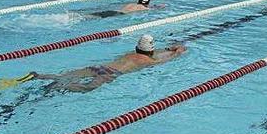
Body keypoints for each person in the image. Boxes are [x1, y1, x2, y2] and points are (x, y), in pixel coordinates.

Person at [30, 35, 186, 93]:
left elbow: (148, 51)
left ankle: (39, 76)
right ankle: (62, 87)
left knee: (62, 76)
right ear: (151, 51)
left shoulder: (130, 54)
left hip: (98, 67)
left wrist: (167, 48)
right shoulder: (150, 61)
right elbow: (167, 58)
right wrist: (177, 51)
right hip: (109, 74)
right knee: (87, 88)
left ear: (137, 47)